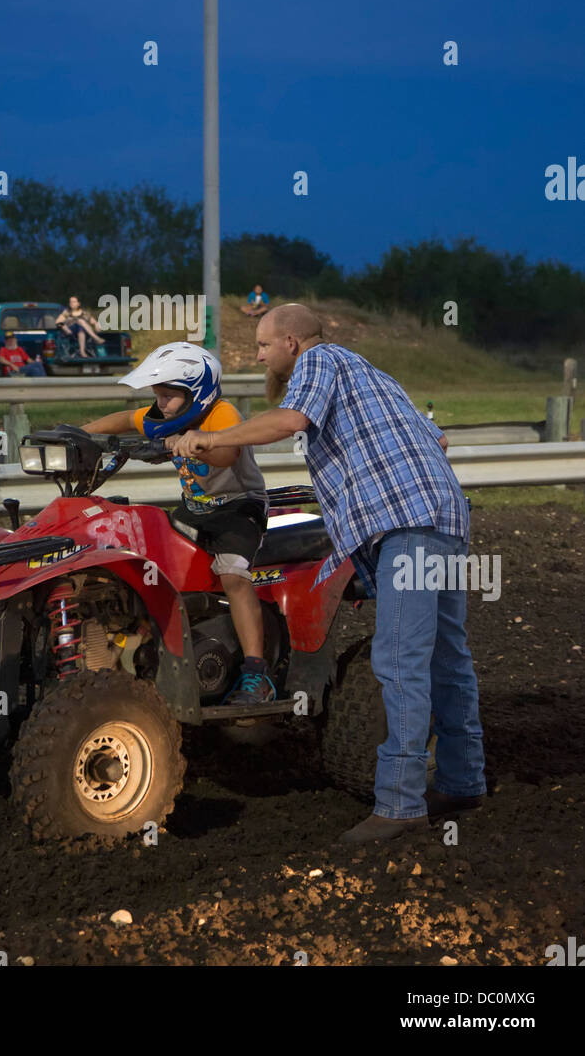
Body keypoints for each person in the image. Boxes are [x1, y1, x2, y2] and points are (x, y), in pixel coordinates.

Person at [170, 303, 485, 845]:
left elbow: (290, 420)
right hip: (443, 514)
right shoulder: (374, 374)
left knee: (399, 660)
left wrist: (213, 440)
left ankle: (400, 804)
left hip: (406, 525)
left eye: (265, 347)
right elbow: (438, 441)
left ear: (293, 342)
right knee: (446, 655)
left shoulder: (319, 361)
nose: (261, 356)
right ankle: (462, 779)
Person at [81, 342, 274, 705]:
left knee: (233, 575)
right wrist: (77, 434)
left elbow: (228, 452)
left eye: (168, 396)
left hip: (237, 508)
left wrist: (194, 444)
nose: (161, 404)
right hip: (194, 508)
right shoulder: (167, 415)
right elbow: (125, 420)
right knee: (149, 563)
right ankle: (145, 649)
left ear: (195, 393)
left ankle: (255, 674)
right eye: (158, 395)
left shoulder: (221, 413)